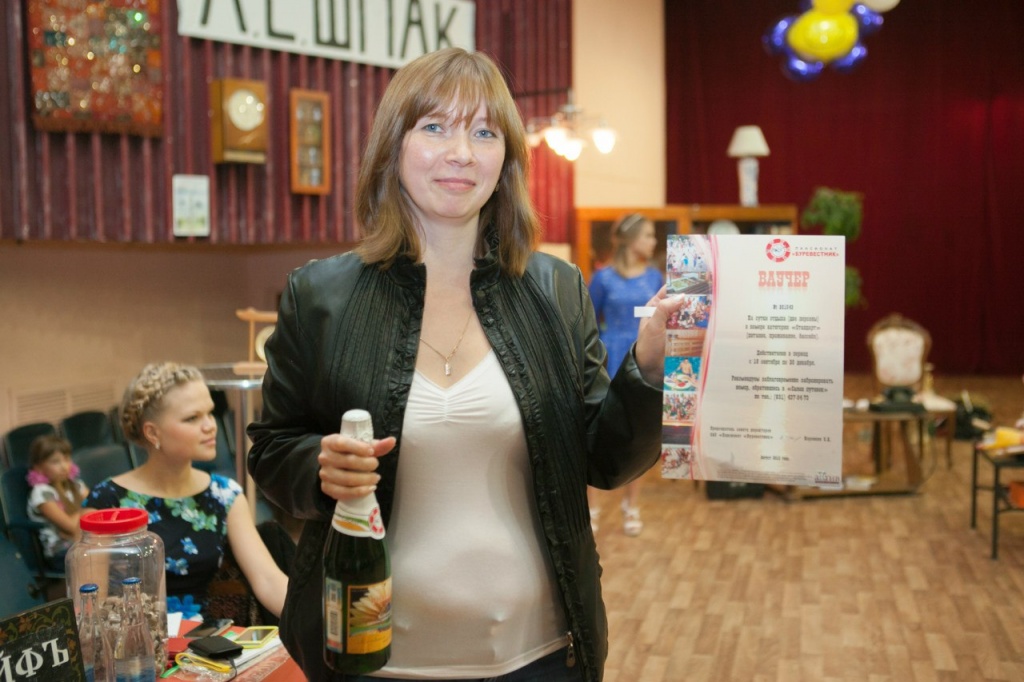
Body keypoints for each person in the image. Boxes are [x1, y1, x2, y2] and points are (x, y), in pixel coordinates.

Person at [247, 47, 685, 682]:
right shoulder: (321, 296)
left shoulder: (555, 290)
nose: (461, 153)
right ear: (392, 146)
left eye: (484, 133)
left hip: (539, 656)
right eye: (435, 127)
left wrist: (648, 367)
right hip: (371, 659)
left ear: (505, 159)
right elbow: (270, 449)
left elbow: (605, 458)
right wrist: (319, 464)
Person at [84, 362, 288, 622]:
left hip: (201, 637)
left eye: (210, 413)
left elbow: (268, 580)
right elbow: (91, 606)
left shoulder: (224, 495)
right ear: (152, 432)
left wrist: (321, 626)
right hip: (130, 637)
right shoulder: (107, 501)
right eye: (192, 418)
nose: (210, 426)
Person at [587, 213, 663, 537]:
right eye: (648, 235)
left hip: (642, 354)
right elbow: (588, 320)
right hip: (608, 356)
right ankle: (591, 509)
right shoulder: (602, 278)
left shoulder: (655, 277)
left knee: (637, 432)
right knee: (596, 430)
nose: (653, 241)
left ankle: (631, 506)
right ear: (632, 240)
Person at [26, 434, 89, 569]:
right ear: (38, 467)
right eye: (55, 462)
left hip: (85, 541)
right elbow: (71, 526)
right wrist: (86, 512)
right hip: (61, 552)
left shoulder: (76, 484)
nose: (64, 466)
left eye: (67, 459)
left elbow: (99, 511)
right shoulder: (41, 492)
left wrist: (79, 519)